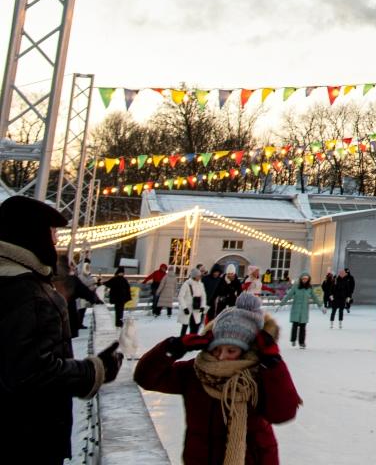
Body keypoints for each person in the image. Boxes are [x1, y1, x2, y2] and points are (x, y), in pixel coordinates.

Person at [1, 196, 124, 464]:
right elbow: (31, 373)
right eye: (52, 232)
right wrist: (95, 370)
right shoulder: (27, 292)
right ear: (31, 235)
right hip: (25, 438)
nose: (55, 241)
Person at [135, 292, 301, 464]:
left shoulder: (259, 375)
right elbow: (146, 378)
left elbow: (283, 413)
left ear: (246, 350)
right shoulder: (196, 372)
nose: (221, 357)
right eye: (216, 349)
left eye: (231, 351)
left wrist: (274, 364)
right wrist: (174, 347)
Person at [285, 273, 317, 349]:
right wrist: (281, 304)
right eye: (303, 279)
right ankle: (293, 340)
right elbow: (288, 295)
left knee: (303, 327)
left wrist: (321, 306)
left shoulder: (309, 288)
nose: (304, 280)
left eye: (306, 279)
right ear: (301, 279)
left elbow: (315, 297)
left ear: (308, 279)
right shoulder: (296, 287)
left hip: (304, 310)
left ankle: (302, 342)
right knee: (295, 325)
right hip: (296, 309)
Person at [177, 267, 208, 336]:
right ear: (194, 276)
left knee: (195, 327)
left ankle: (192, 341)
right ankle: (182, 341)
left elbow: (203, 296)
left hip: (196, 309)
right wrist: (184, 308)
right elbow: (180, 297)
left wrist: (203, 306)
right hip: (188, 309)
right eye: (199, 276)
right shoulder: (186, 284)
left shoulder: (201, 284)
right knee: (184, 327)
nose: (200, 277)